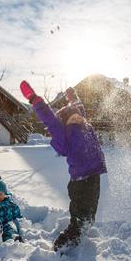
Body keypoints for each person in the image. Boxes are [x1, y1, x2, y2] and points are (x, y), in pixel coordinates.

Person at [20, 81, 107, 251]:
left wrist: (73, 96)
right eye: (74, 117)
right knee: (80, 217)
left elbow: (78, 107)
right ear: (66, 121)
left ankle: (81, 230)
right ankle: (64, 243)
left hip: (94, 175)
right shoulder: (64, 132)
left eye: (79, 116)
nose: (79, 118)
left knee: (90, 215)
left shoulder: (84, 123)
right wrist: (34, 99)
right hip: (80, 181)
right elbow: (49, 119)